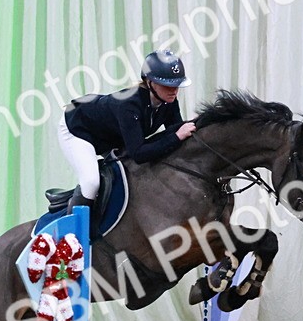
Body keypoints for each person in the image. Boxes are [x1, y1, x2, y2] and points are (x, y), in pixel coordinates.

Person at [58, 49, 198, 228]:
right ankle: (73, 236)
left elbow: (176, 131)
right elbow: (139, 153)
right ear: (149, 83)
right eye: (168, 85)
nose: (174, 91)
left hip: (109, 135)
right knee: (91, 181)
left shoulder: (168, 102)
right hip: (78, 129)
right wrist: (177, 136)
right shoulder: (129, 105)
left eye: (177, 85)